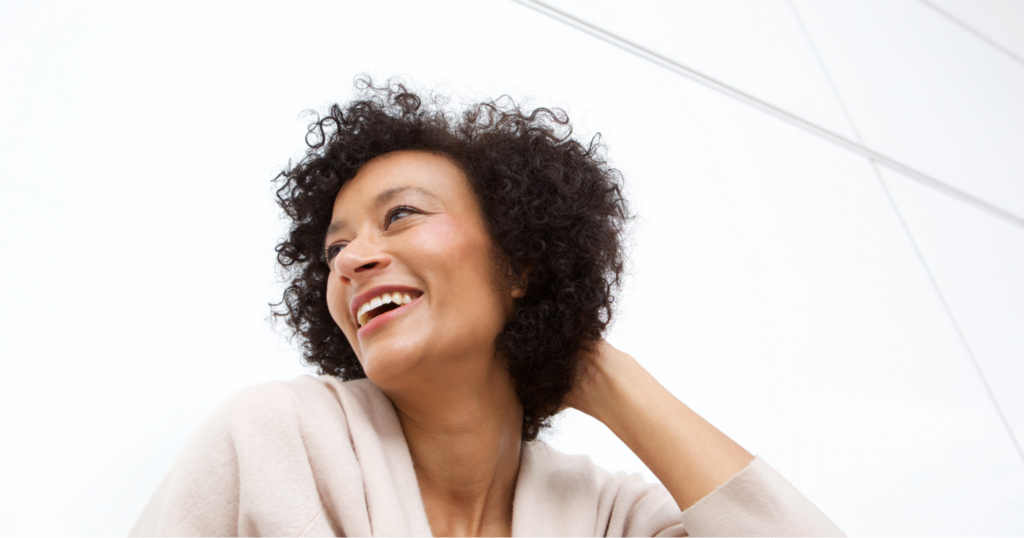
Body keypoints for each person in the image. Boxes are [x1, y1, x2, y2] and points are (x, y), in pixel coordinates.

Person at [129, 79, 845, 537]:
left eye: (401, 215)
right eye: (334, 250)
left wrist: (607, 378)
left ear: (521, 261)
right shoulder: (272, 442)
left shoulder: (609, 519)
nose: (349, 260)